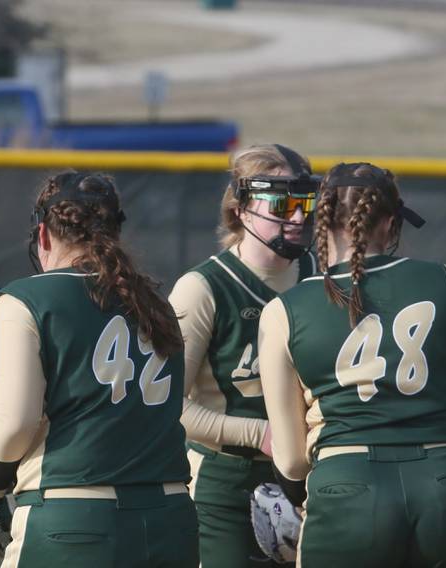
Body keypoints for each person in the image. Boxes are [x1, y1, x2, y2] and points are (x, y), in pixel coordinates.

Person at [0, 171, 199, 567]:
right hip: (170, 519)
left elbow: (14, 427)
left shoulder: (27, 297)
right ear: (115, 233)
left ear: (43, 235)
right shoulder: (157, 302)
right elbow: (114, 406)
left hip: (75, 518)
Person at [258, 162, 446, 568]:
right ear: (391, 223)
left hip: (347, 484)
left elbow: (292, 460)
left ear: (323, 220)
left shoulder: (285, 309)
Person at [168, 144, 320, 567]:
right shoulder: (203, 288)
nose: (297, 217)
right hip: (225, 483)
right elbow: (168, 406)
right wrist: (261, 434)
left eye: (304, 202)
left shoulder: (320, 278)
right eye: (281, 202)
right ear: (240, 209)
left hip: (312, 476)